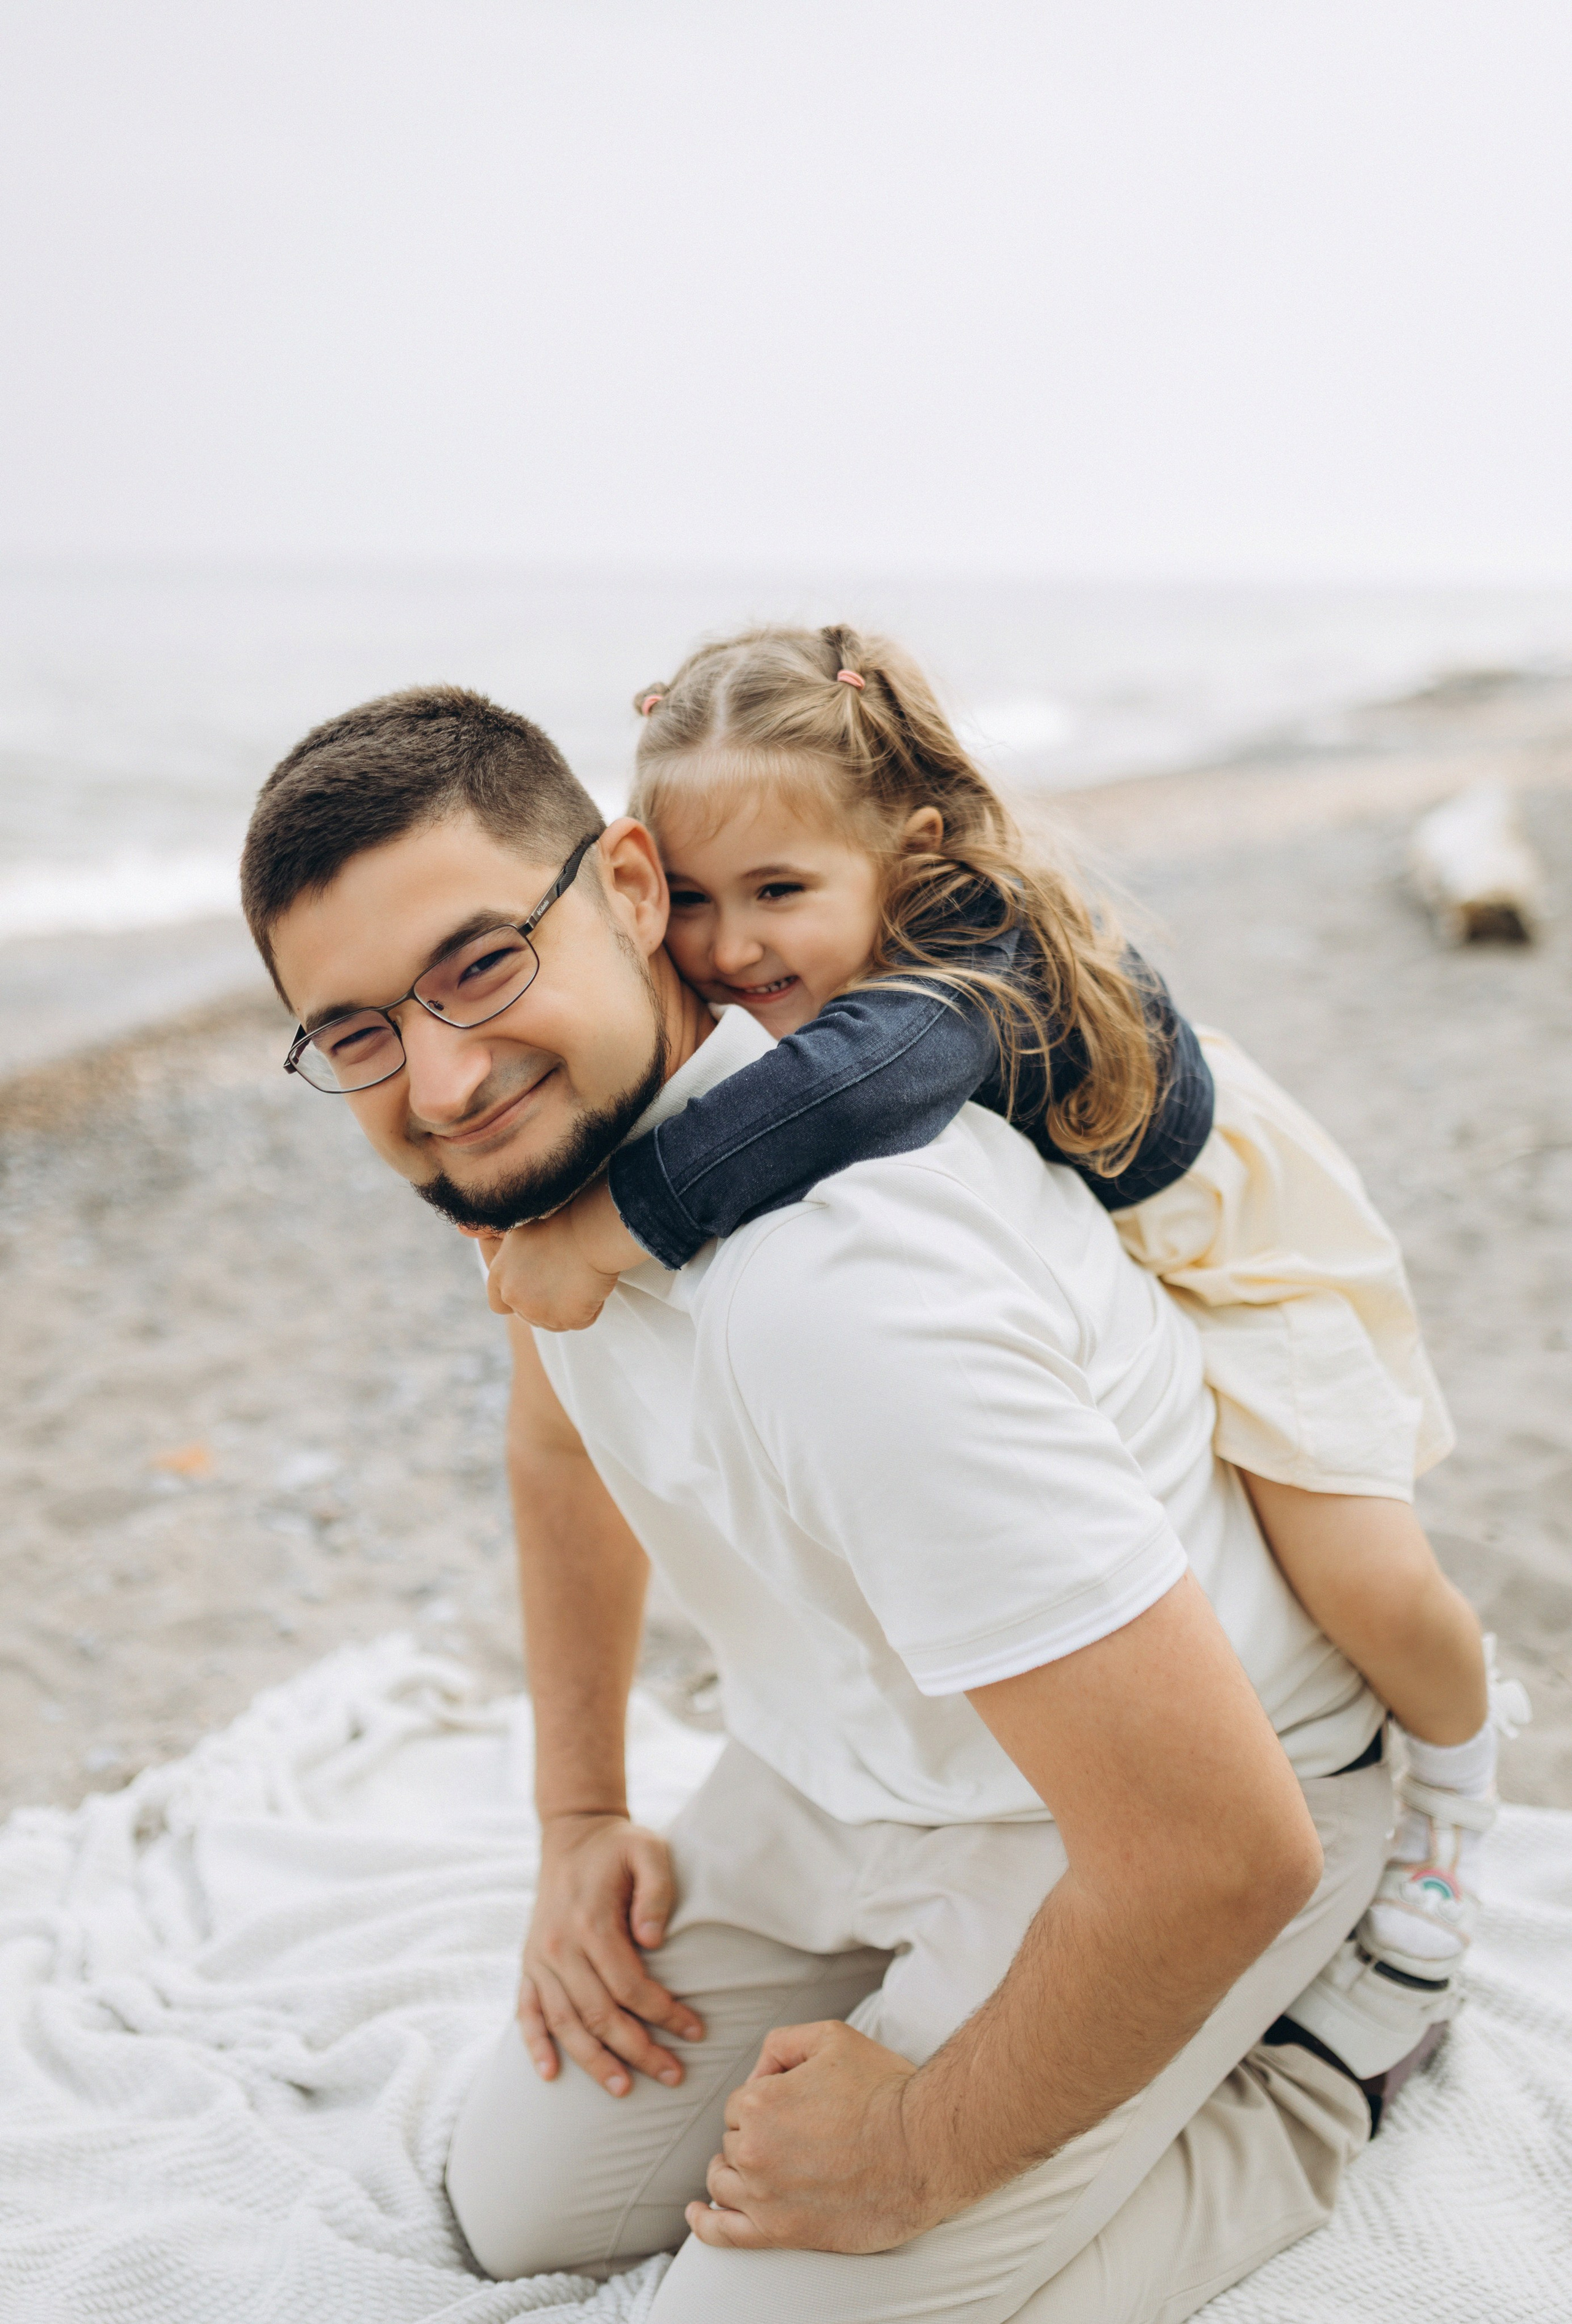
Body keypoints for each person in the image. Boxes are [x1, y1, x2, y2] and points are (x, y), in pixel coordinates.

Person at [241, 682, 1441, 2324]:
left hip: (1182, 1810)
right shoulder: (548, 1190)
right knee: (528, 2205)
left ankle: (1313, 2080)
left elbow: (1219, 1849)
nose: (444, 1080)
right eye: (362, 1032)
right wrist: (576, 1815)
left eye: (479, 962)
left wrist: (926, 2146)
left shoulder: (849, 1299)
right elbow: (558, 1438)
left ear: (635, 891)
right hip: (854, 1775)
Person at [480, 623, 1528, 2042]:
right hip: (1114, 1253)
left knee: (1364, 1578)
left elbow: (861, 1088)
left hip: (1236, 1248)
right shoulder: (811, 948)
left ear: (908, 856)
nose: (727, 949)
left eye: (778, 891)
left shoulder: (971, 962)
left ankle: (1454, 1801)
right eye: (692, 901)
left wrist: (616, 1221)